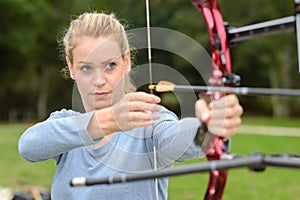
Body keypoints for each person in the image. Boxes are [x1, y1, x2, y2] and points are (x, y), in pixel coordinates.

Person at [18, 12, 243, 200]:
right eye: (86, 67)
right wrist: (109, 121)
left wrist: (209, 126)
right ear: (71, 67)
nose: (99, 80)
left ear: (126, 61)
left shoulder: (149, 118)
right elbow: (29, 146)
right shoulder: (66, 124)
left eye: (110, 65)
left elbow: (180, 139)